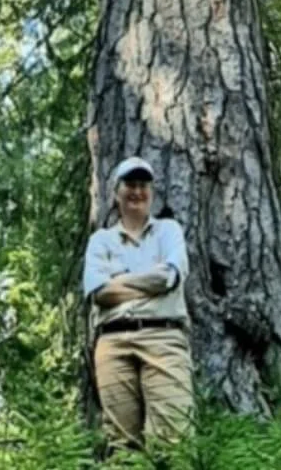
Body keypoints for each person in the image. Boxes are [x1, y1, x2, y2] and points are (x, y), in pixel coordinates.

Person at [83, 156, 194, 450]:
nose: (137, 191)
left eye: (143, 184)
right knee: (121, 446)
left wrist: (119, 282)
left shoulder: (168, 231)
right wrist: (149, 283)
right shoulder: (101, 240)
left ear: (152, 192)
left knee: (174, 438)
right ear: (116, 192)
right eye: (129, 184)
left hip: (164, 338)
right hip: (113, 343)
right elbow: (99, 292)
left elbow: (169, 277)